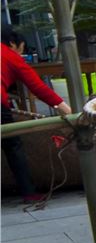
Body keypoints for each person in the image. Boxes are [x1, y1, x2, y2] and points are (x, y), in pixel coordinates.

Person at [2, 25, 66, 207]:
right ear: (13, 43)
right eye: (21, 49)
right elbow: (37, 87)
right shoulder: (9, 55)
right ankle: (29, 193)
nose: (20, 54)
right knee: (12, 146)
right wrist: (66, 109)